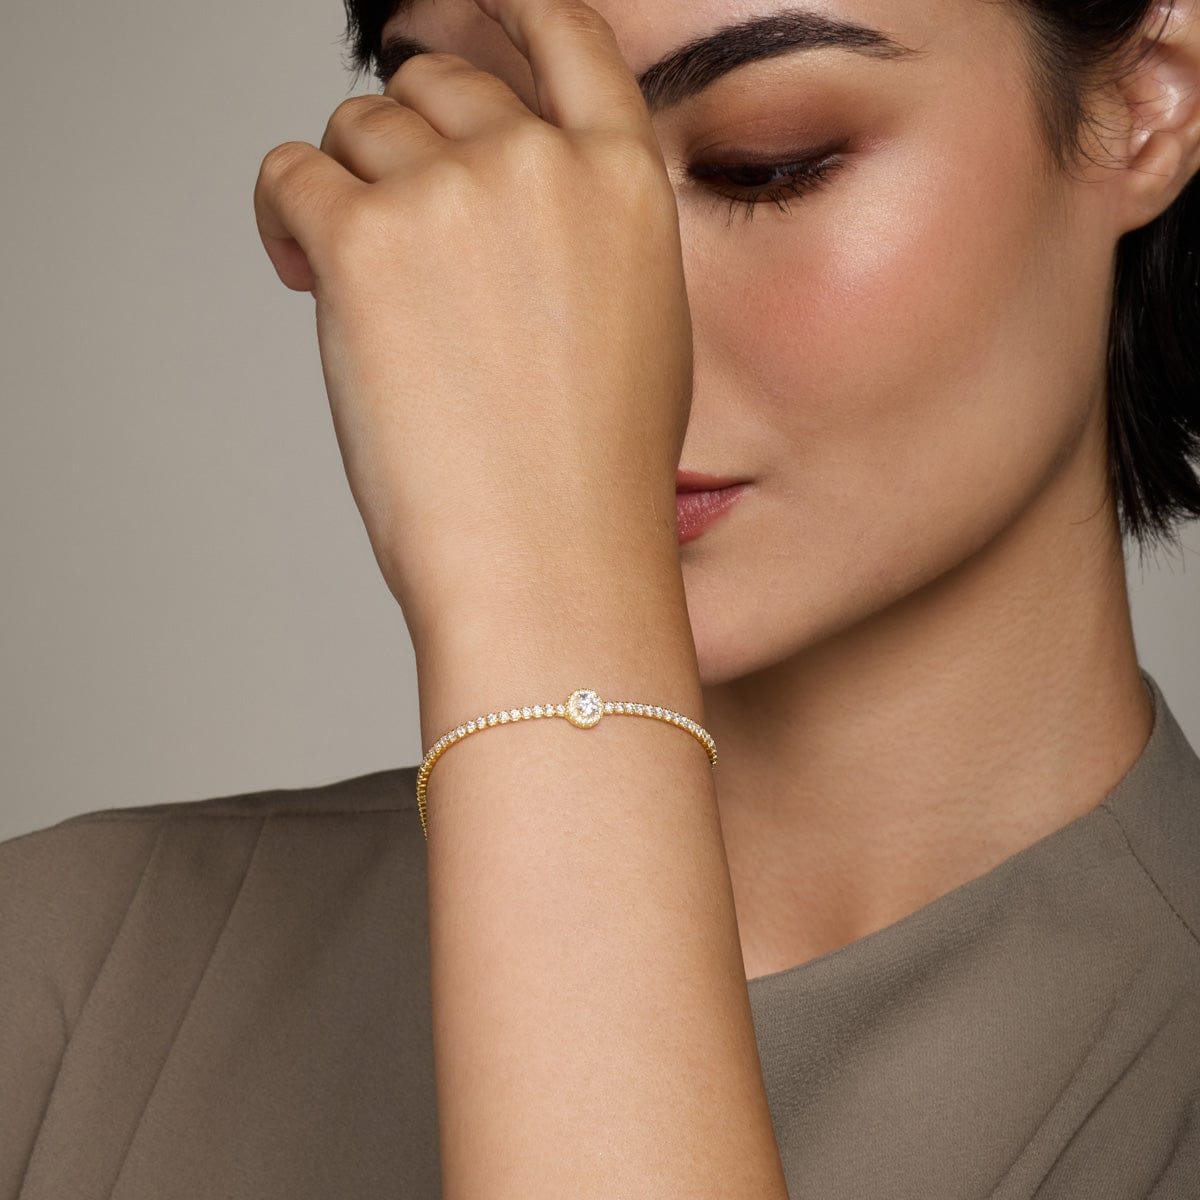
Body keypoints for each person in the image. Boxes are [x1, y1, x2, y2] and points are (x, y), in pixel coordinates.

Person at [2, 0, 1198, 1194]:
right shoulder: (69, 975)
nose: (591, 315)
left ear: (1148, 97)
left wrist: (554, 607)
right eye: (487, 165)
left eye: (762, 166)